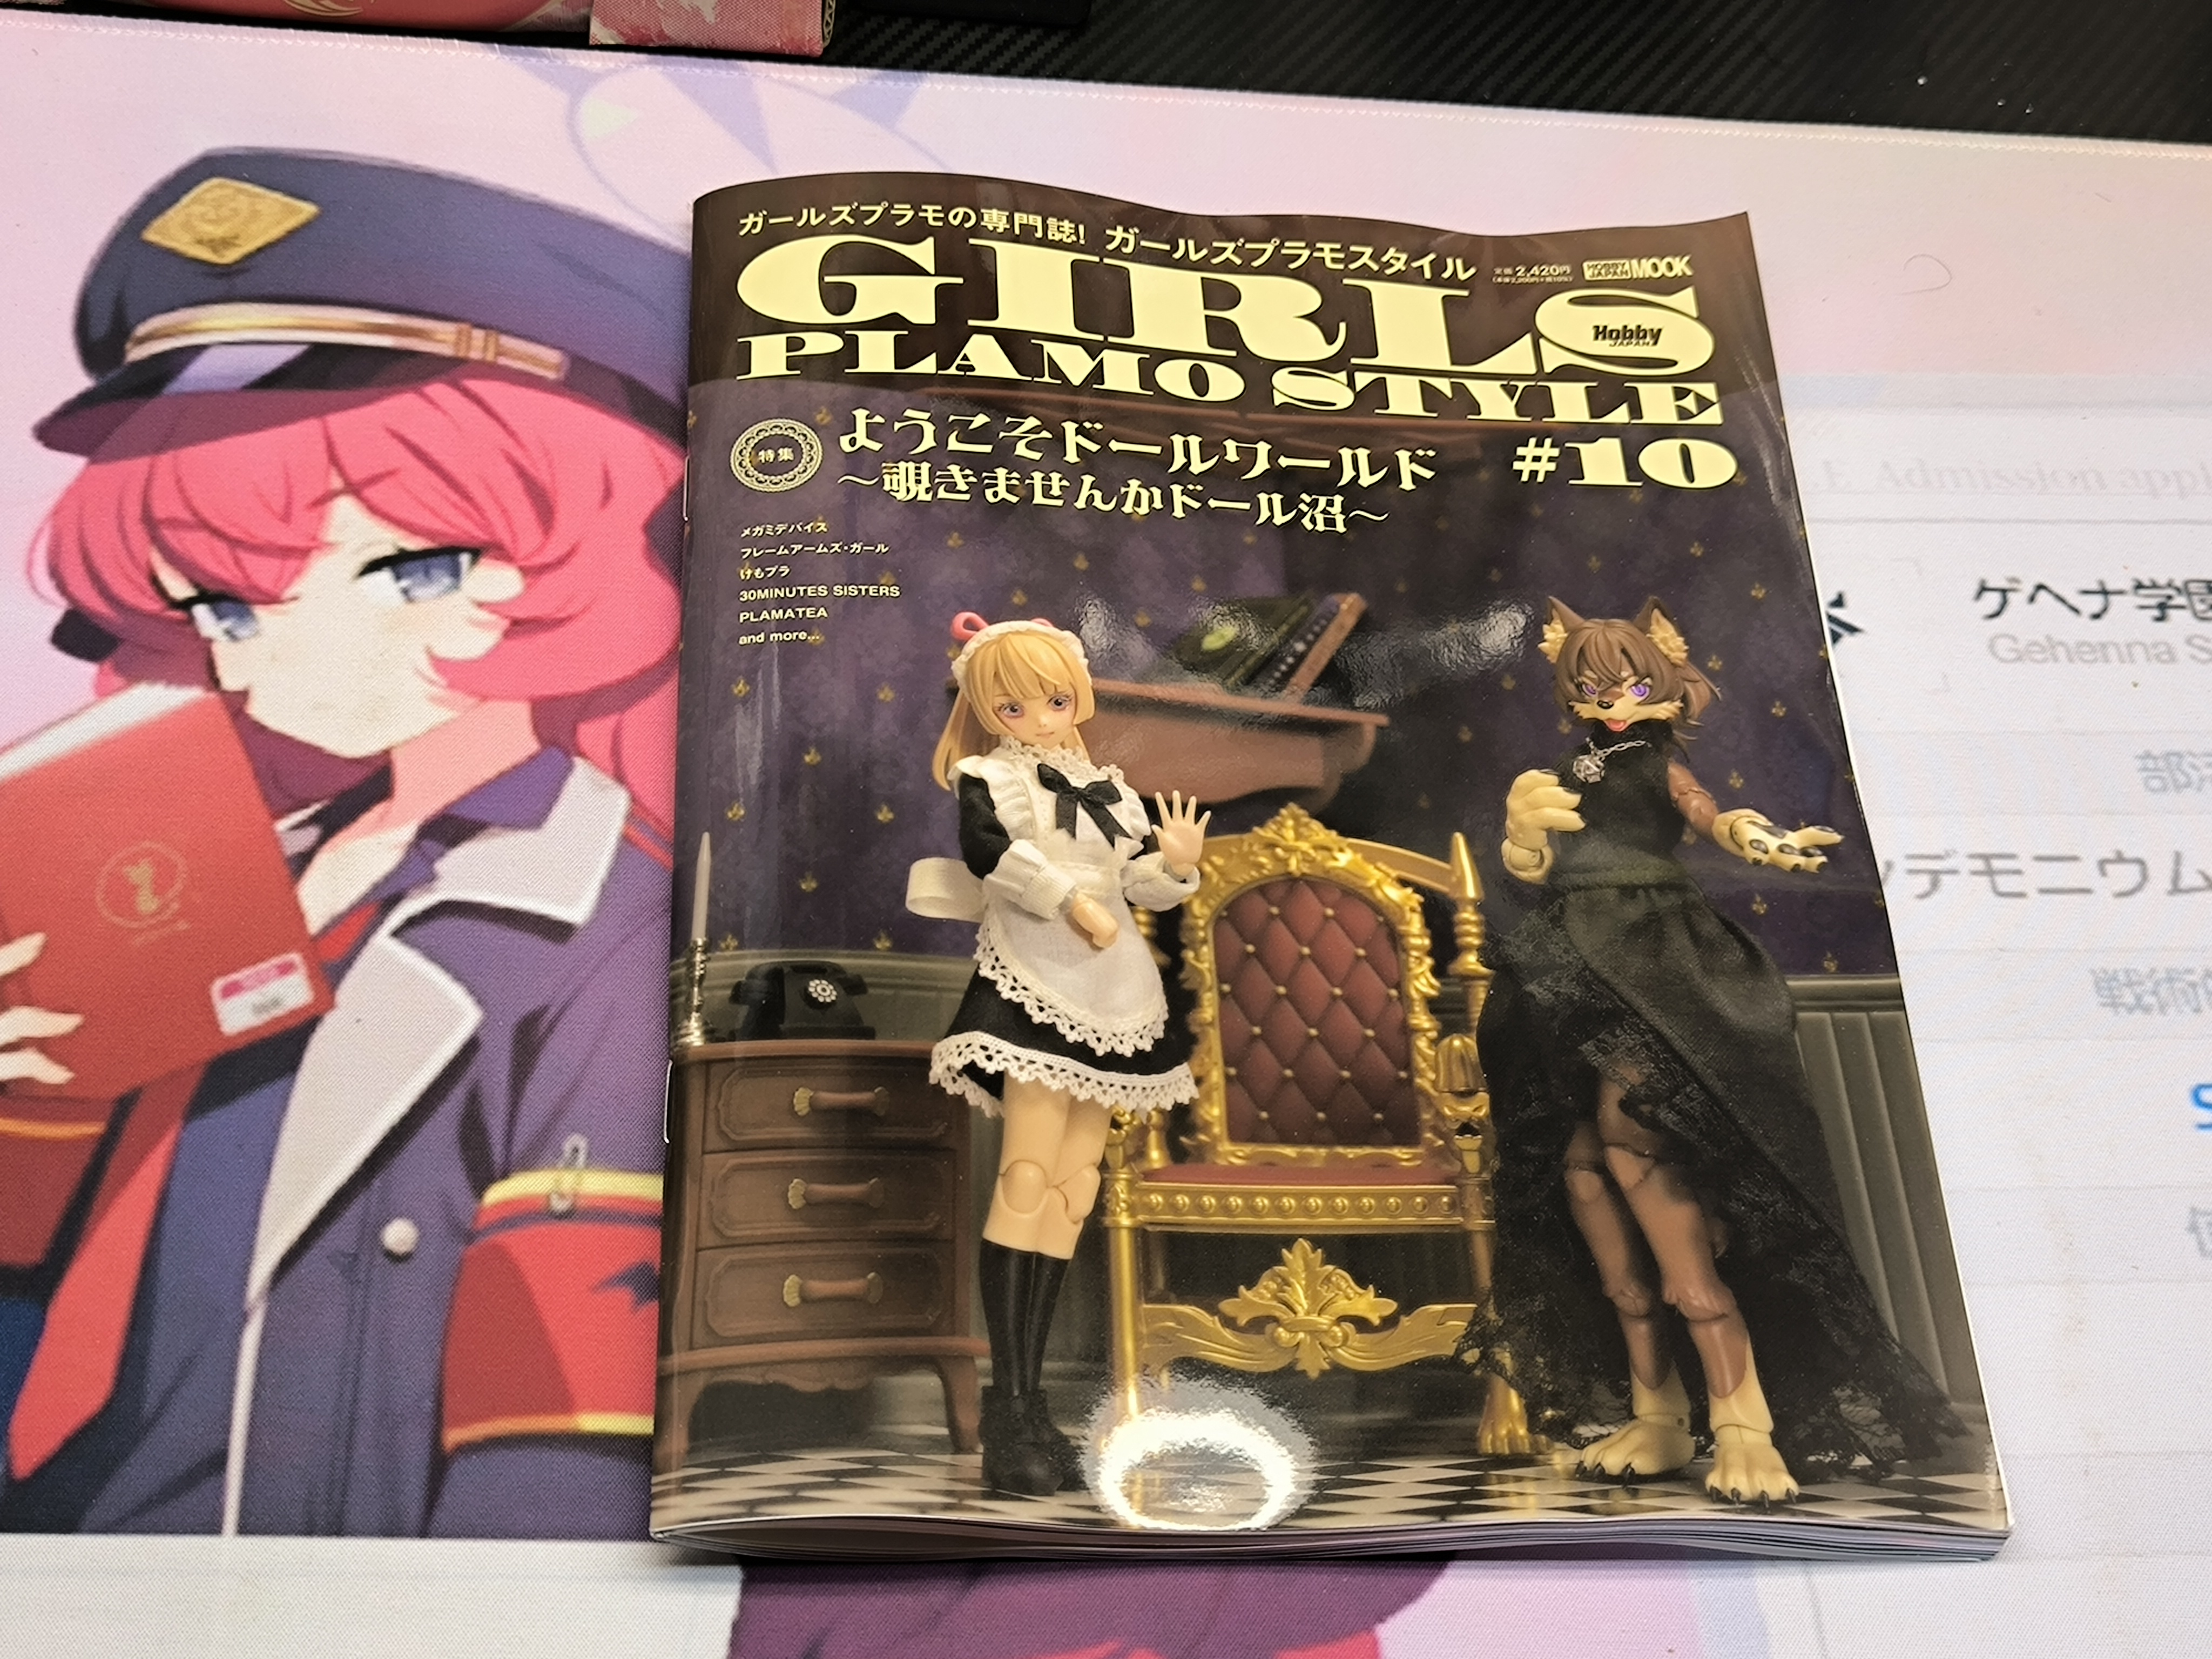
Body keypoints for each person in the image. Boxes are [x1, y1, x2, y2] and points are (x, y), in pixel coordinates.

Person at [0, 151, 685, 1536]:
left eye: (399, 571)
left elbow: (557, 1461)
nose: (264, 668)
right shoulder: (187, 863)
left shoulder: (607, 935)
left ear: (551, 564)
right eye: (222, 609)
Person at [1469, 597, 1957, 1501]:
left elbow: (1708, 814)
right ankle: (1656, 1417)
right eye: (1591, 687)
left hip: (1652, 951)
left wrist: (1761, 840)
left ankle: (1744, 1426)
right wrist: (1522, 838)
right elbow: (1530, 867)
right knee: (1581, 1175)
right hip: (1562, 959)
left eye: (1627, 684)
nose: (1610, 700)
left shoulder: (1657, 764)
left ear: (1662, 678)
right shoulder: (1564, 767)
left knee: (1640, 1147)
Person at [905, 615, 1207, 1496]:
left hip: (1113, 985)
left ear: (1077, 695)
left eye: (1054, 699)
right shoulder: (989, 777)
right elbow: (990, 855)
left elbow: (1137, 880)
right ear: (985, 710)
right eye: (1014, 705)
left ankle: (1034, 1411)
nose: (1039, 717)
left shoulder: (1108, 786)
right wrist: (1073, 905)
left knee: (1073, 1190)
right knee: (1028, 1178)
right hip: (1035, 976)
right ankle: (1011, 1408)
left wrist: (1175, 866)